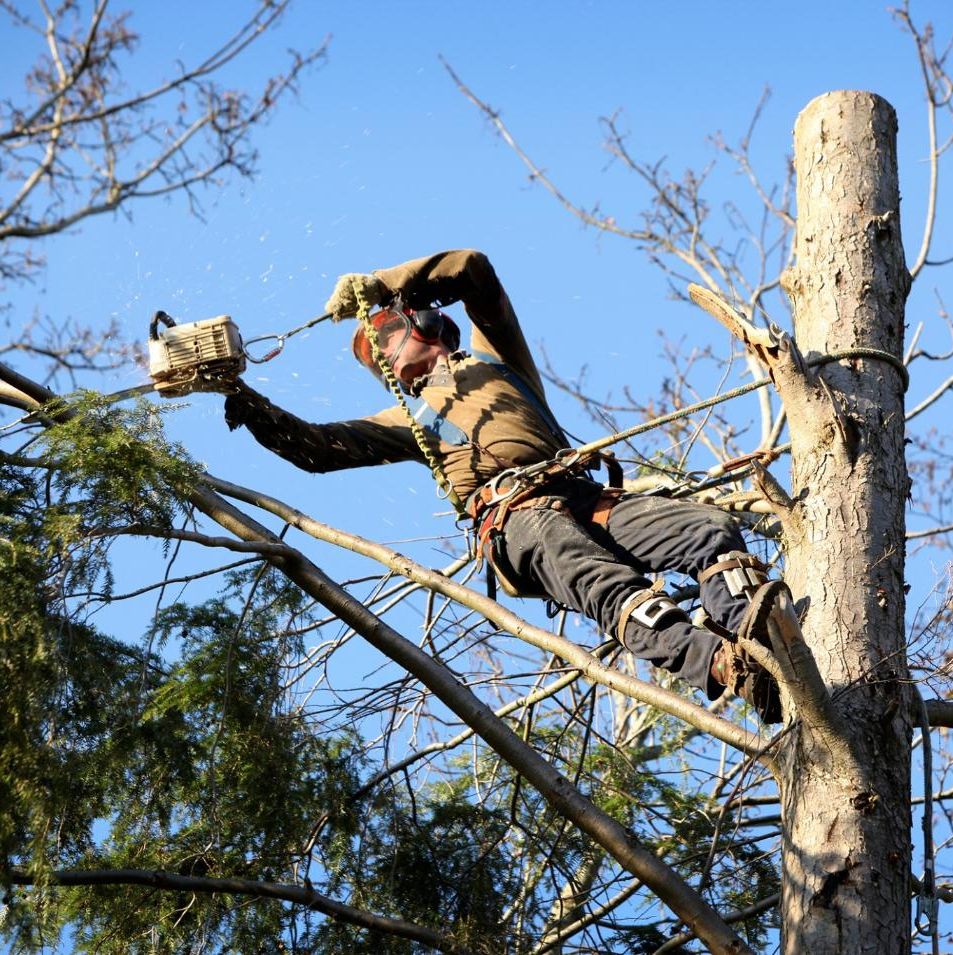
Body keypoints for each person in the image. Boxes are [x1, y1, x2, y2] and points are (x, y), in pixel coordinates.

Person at [222, 249, 784, 723]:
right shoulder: (410, 421)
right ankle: (724, 665)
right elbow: (317, 449)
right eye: (385, 354)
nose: (394, 357)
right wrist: (244, 399)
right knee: (603, 582)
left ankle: (763, 640)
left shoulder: (498, 360)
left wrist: (383, 284)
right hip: (515, 517)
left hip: (584, 496)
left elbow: (474, 272)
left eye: (392, 336)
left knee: (708, 532)